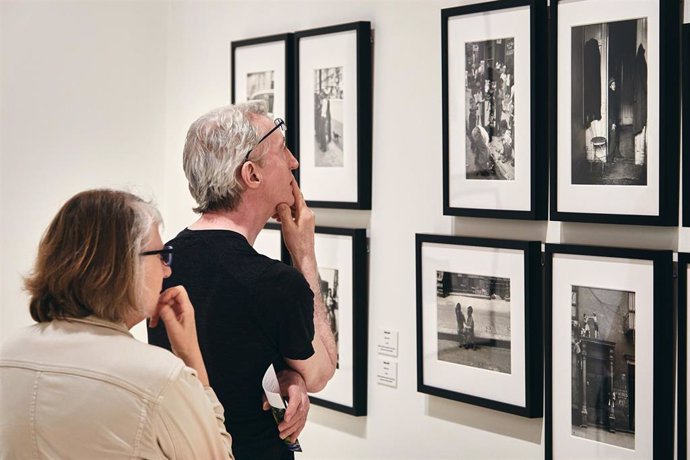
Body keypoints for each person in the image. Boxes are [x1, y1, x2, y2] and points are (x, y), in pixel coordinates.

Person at [148, 102, 337, 460]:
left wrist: (286, 374)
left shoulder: (158, 261)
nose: (294, 162)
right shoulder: (274, 283)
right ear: (251, 175)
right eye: (283, 151)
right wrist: (305, 256)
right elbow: (321, 373)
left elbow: (231, 354)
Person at [0, 189, 233, 459]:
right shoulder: (161, 378)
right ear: (123, 266)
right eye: (161, 255)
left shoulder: (8, 355)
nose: (167, 270)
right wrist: (191, 357)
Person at [608, 77, 621, 163]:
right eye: (613, 84)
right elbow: (612, 110)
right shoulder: (611, 95)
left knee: (614, 137)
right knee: (613, 138)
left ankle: (616, 154)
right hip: (611, 120)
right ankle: (609, 159)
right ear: (609, 86)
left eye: (615, 84)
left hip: (612, 119)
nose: (614, 86)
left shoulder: (611, 94)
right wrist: (613, 123)